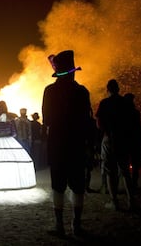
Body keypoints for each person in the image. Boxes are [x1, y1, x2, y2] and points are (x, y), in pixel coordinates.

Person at [42, 50, 92, 237]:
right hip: (77, 145)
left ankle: (59, 225)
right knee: (78, 186)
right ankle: (76, 225)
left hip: (57, 145)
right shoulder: (82, 91)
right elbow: (88, 121)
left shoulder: (49, 91)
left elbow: (46, 120)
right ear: (73, 71)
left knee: (58, 186)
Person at [95, 79, 136, 212]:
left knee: (110, 172)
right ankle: (131, 201)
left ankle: (114, 202)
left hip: (109, 140)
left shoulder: (105, 103)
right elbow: (132, 122)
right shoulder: (126, 103)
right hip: (123, 140)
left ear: (108, 89)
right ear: (118, 89)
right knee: (125, 171)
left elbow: (99, 124)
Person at [124, 93, 141, 193]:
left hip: (124, 140)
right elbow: (138, 128)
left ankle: (128, 185)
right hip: (134, 140)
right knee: (135, 164)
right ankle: (134, 184)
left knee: (124, 164)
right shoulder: (136, 112)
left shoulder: (121, 113)